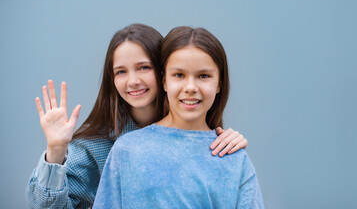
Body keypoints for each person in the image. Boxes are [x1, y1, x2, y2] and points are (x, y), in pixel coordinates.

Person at [26, 24, 248, 208]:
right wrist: (55, 151)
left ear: (165, 74)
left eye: (143, 68)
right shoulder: (98, 146)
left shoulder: (192, 128)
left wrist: (225, 141)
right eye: (121, 71)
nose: (132, 81)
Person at [93, 26, 264, 208]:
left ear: (219, 83)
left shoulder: (234, 158)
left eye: (203, 75)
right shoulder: (126, 150)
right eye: (179, 75)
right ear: (164, 81)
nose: (190, 87)